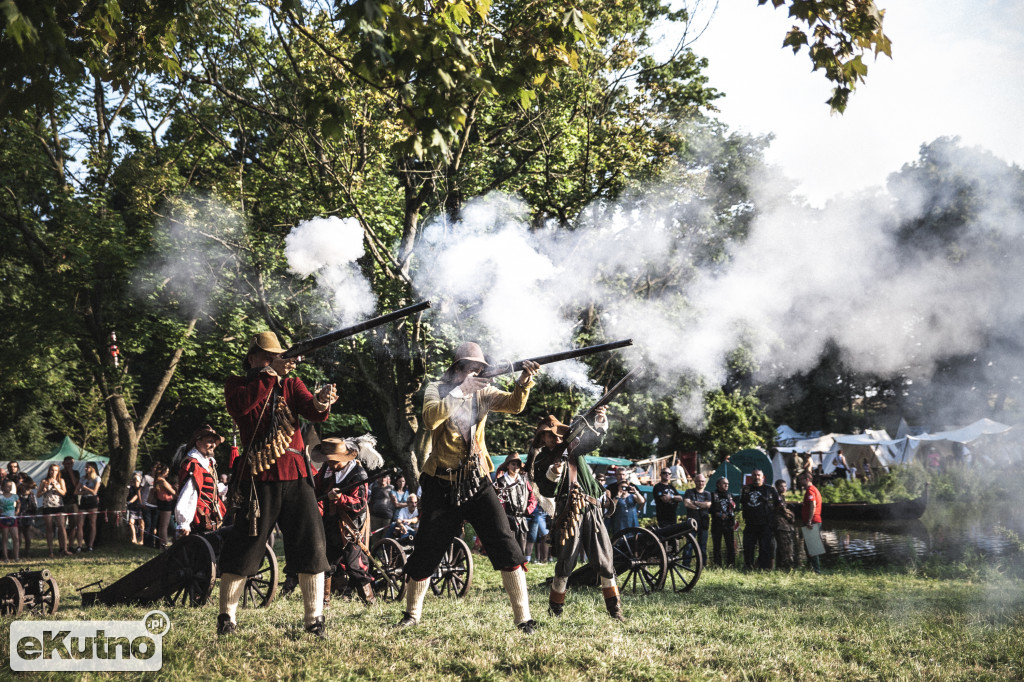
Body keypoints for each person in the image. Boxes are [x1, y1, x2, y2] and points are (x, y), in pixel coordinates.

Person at [396, 342, 540, 633]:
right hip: (441, 482)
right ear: (458, 367)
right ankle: (412, 615)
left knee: (506, 544)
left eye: (479, 368)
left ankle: (523, 619)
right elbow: (429, 418)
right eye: (471, 366)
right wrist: (461, 391)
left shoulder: (483, 392)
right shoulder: (436, 389)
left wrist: (524, 382)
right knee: (427, 549)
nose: (476, 371)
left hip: (477, 480)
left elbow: (514, 405)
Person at [219, 331, 337, 637]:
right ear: (253, 358)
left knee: (312, 547)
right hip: (259, 477)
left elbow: (312, 410)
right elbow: (241, 408)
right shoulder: (240, 384)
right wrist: (271, 375)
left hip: (296, 474)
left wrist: (322, 400)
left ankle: (314, 620)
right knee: (244, 547)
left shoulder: (291, 384)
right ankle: (227, 618)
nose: (273, 360)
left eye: (277, 356)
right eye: (268, 356)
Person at [533, 406, 626, 621]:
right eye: (549, 435)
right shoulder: (541, 461)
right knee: (565, 564)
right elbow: (547, 490)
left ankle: (615, 610)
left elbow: (595, 441)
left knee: (605, 562)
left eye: (556, 435)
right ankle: (555, 608)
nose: (554, 439)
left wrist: (600, 420)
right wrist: (553, 473)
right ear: (543, 438)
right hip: (569, 513)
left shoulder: (574, 447)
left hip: (592, 510)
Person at [313, 437, 380, 607]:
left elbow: (359, 504)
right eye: (328, 461)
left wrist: (341, 498)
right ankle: (324, 603)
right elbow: (316, 489)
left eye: (334, 461)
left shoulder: (358, 474)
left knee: (354, 565)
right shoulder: (326, 471)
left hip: (351, 527)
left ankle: (370, 602)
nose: (330, 464)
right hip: (329, 523)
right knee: (326, 564)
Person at [175, 425, 228, 537]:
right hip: (198, 518)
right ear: (198, 443)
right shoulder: (194, 464)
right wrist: (184, 522)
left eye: (214, 442)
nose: (213, 445)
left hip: (210, 515)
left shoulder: (208, 463)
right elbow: (188, 493)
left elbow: (212, 486)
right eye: (209, 441)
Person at [495, 453, 537, 554]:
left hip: (522, 520)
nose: (516, 467)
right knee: (509, 550)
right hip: (507, 521)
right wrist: (503, 519)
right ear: (508, 466)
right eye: (513, 464)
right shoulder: (500, 482)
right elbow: (498, 503)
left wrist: (529, 509)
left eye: (518, 465)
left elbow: (533, 497)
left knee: (521, 550)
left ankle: (521, 569)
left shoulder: (524, 481)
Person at [740, 469, 779, 570]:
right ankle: (748, 567)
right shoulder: (746, 489)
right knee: (748, 547)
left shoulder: (770, 489)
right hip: (750, 524)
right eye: (754, 475)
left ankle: (764, 569)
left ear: (763, 477)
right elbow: (742, 503)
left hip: (765, 524)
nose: (756, 477)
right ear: (751, 477)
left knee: (765, 548)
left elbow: (778, 505)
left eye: (758, 475)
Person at [37, 464, 70, 557]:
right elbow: (38, 494)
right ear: (49, 471)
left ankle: (64, 549)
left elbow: (64, 493)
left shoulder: (61, 480)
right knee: (49, 528)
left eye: (55, 470)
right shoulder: (44, 481)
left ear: (58, 472)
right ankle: (51, 551)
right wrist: (45, 490)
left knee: (62, 527)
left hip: (59, 506)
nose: (53, 472)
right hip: (47, 506)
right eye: (52, 470)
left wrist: (56, 487)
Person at [682, 474, 712, 565]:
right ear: (695, 482)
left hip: (703, 523)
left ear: (705, 482)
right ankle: (686, 565)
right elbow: (686, 504)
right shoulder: (689, 492)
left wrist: (694, 503)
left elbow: (707, 505)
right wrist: (701, 505)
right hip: (691, 523)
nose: (701, 483)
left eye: (702, 481)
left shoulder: (707, 494)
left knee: (702, 546)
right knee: (689, 545)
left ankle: (702, 566)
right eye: (698, 481)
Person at [604, 468, 645, 535]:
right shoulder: (611, 487)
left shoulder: (632, 486)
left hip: (631, 518)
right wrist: (617, 496)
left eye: (623, 474)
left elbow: (642, 500)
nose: (621, 476)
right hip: (617, 518)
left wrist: (639, 511)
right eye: (619, 474)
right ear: (616, 475)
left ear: (626, 475)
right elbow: (609, 504)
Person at [799, 472, 824, 573]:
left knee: (812, 548)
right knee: (809, 547)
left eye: (801, 479)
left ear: (807, 479)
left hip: (812, 521)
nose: (799, 481)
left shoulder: (810, 490)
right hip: (813, 521)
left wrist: (809, 520)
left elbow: (812, 505)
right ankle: (811, 569)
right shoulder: (813, 489)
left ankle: (816, 571)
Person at [709, 476, 737, 568]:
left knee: (730, 546)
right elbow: (710, 509)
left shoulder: (730, 495)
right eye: (724, 483)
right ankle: (717, 565)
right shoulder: (713, 495)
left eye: (727, 484)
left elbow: (734, 509)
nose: (726, 485)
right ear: (718, 485)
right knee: (717, 547)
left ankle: (731, 565)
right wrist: (719, 514)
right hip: (717, 524)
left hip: (728, 525)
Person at [773, 479, 800, 570]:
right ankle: (786, 568)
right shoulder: (777, 498)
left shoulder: (782, 497)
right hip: (781, 525)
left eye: (785, 486)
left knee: (783, 548)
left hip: (784, 525)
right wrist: (791, 515)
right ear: (777, 487)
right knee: (785, 548)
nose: (784, 488)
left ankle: (780, 567)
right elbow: (785, 512)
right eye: (781, 486)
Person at [75, 462, 102, 551]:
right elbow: (76, 492)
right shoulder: (83, 478)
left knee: (92, 523)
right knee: (79, 524)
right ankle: (79, 545)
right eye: (85, 467)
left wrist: (85, 488)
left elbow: (94, 492)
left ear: (93, 468)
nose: (85, 469)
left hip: (92, 501)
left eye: (87, 467)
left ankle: (90, 545)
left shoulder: (97, 478)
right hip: (83, 501)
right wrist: (85, 491)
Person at [151, 463, 177, 549]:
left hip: (163, 503)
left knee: (162, 525)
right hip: (166, 503)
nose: (167, 474)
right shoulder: (162, 480)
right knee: (164, 526)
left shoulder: (158, 480)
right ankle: (163, 545)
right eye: (167, 472)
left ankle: (161, 544)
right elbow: (172, 492)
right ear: (163, 471)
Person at [60, 456, 82, 552]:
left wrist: (70, 473)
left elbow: (76, 485)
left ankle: (71, 545)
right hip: (61, 502)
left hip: (73, 501)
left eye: (71, 464)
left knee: (73, 524)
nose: (69, 465)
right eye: (67, 463)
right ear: (63, 463)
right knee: (62, 525)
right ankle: (62, 546)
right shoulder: (60, 473)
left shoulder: (76, 473)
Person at [16, 476, 37, 558]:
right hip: (19, 515)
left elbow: (34, 506)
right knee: (19, 534)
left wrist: (33, 515)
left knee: (27, 534)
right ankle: (17, 553)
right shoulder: (17, 494)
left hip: (28, 515)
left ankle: (27, 552)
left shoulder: (31, 494)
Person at [0, 479, 20, 561]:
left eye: (10, 486)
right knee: (5, 538)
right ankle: (6, 557)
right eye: (6, 486)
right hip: (3, 518)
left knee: (15, 538)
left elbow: (19, 502)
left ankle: (16, 557)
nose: (8, 488)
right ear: (2, 487)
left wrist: (17, 510)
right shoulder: (0, 497)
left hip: (12, 518)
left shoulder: (14, 496)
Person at [141, 463, 159, 548]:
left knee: (153, 526)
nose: (156, 469)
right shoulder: (146, 477)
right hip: (146, 504)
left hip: (156, 506)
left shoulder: (160, 479)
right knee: (148, 524)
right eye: (155, 467)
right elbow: (140, 490)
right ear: (152, 468)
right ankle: (146, 543)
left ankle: (151, 543)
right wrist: (141, 502)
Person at [127, 472, 145, 545]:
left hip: (140, 507)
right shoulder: (130, 488)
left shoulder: (141, 489)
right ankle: (134, 537)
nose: (135, 482)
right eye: (134, 480)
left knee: (141, 524)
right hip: (132, 508)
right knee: (131, 522)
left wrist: (130, 502)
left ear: (140, 481)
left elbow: (137, 496)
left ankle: (142, 539)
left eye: (137, 481)